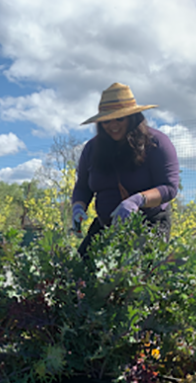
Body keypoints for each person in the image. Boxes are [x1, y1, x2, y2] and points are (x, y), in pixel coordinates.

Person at [71, 82, 179, 257]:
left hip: (149, 224)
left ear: (133, 117)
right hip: (106, 224)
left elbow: (169, 187)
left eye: (119, 118)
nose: (113, 125)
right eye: (106, 120)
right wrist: (78, 207)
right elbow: (83, 187)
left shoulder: (157, 143)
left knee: (138, 276)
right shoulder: (92, 148)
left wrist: (137, 201)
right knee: (79, 269)